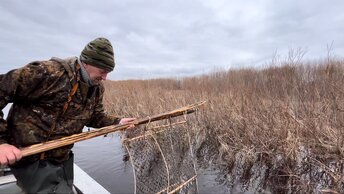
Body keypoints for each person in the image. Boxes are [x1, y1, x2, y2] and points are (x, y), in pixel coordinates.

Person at [0, 37, 136, 193]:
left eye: (108, 72)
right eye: (102, 71)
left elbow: (94, 116)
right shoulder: (49, 73)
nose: (105, 77)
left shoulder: (96, 88)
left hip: (61, 158)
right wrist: (2, 143)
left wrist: (118, 122)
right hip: (31, 158)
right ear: (86, 62)